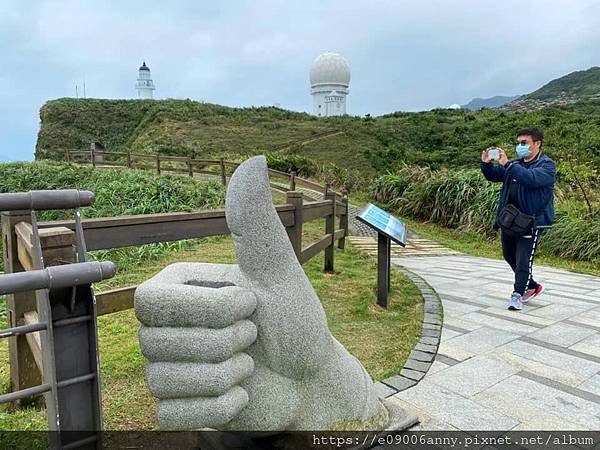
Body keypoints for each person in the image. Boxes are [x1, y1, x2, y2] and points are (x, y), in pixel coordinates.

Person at [480, 128, 556, 311]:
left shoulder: (547, 166)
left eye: (524, 143)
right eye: (519, 143)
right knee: (508, 254)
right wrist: (487, 165)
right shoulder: (514, 164)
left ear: (537, 143)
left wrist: (508, 164)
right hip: (510, 220)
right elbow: (494, 176)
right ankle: (531, 286)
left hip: (532, 221)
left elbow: (530, 179)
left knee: (523, 261)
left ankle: (517, 295)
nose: (520, 146)